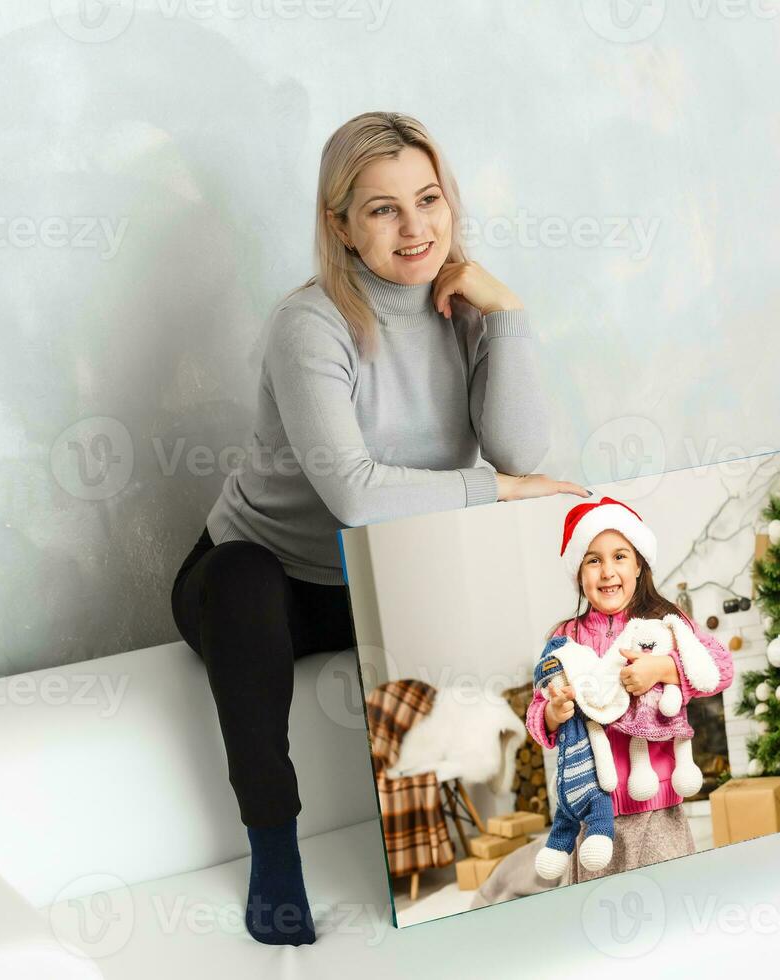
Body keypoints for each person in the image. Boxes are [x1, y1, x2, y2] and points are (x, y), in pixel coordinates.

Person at [170, 110, 590, 946]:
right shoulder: (310, 325)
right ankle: (274, 854)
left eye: (428, 199)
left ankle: (560, 824)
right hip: (266, 581)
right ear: (341, 226)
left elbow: (519, 445)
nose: (414, 227)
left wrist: (505, 311)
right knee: (244, 579)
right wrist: (501, 491)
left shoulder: (462, 309)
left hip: (374, 580)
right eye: (383, 209)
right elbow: (355, 495)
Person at [469, 496, 734, 908]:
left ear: (639, 564)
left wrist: (661, 668)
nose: (608, 571)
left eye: (619, 556)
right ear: (578, 572)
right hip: (593, 816)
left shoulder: (665, 622)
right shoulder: (565, 636)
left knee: (671, 903)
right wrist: (554, 713)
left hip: (655, 807)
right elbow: (537, 713)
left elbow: (719, 667)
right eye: (593, 560)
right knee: (602, 910)